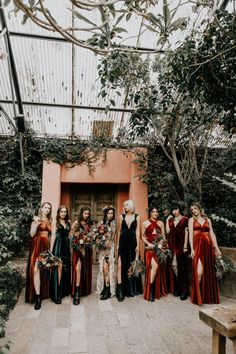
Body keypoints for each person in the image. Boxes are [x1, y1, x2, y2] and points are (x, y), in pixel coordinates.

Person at [189, 203, 221, 305]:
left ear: (199, 209)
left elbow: (212, 234)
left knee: (208, 272)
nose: (193, 210)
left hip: (208, 248)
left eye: (195, 208)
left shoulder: (208, 220)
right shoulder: (191, 220)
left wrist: (216, 248)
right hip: (197, 247)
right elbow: (190, 235)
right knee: (199, 272)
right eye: (192, 209)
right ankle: (195, 295)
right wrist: (192, 249)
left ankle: (206, 297)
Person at [25, 202, 52, 310]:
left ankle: (44, 292)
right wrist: (36, 224)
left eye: (49, 208)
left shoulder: (51, 220)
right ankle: (38, 297)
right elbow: (32, 234)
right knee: (36, 269)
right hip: (37, 245)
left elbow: (51, 235)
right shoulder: (36, 219)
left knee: (43, 270)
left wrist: (50, 250)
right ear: (41, 208)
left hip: (46, 246)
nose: (47, 209)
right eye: (45, 207)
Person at [116, 199, 143, 302]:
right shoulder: (121, 217)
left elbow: (137, 231)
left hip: (132, 243)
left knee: (132, 264)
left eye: (126, 205)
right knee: (121, 265)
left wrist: (137, 246)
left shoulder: (137, 216)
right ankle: (121, 289)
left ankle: (132, 289)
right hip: (123, 243)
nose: (125, 206)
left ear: (131, 206)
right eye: (124, 205)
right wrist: (118, 244)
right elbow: (119, 231)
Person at [142, 207, 167, 302]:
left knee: (156, 268)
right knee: (155, 267)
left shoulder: (161, 223)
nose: (155, 213)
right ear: (150, 213)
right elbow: (142, 236)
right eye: (153, 211)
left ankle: (156, 289)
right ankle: (151, 291)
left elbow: (163, 236)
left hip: (158, 248)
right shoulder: (145, 223)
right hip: (149, 248)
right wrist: (148, 244)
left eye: (157, 211)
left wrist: (160, 243)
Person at [166, 204, 189, 300]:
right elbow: (167, 232)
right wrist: (167, 220)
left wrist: (185, 246)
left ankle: (184, 290)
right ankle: (178, 287)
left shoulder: (185, 219)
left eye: (176, 209)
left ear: (179, 209)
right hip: (172, 245)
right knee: (174, 265)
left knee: (182, 267)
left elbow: (187, 232)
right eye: (173, 210)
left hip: (181, 245)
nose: (175, 212)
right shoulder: (171, 220)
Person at [70, 207, 93, 305]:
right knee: (78, 268)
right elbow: (71, 235)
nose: (86, 215)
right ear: (81, 214)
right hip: (78, 250)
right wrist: (76, 242)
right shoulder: (76, 223)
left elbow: (92, 237)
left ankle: (84, 289)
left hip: (87, 250)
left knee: (85, 269)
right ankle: (77, 292)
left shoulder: (90, 225)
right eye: (85, 213)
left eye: (88, 214)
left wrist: (89, 240)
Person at [50, 205, 71, 304]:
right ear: (58, 212)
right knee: (59, 268)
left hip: (66, 247)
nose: (63, 213)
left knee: (66, 269)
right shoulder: (55, 222)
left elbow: (69, 235)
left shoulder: (68, 222)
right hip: (58, 246)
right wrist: (51, 251)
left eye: (65, 212)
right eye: (62, 211)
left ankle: (64, 291)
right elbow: (53, 236)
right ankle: (57, 294)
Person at [96, 206, 117, 300]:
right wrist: (97, 241)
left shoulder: (113, 223)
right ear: (105, 214)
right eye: (109, 213)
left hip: (109, 247)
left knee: (109, 269)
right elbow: (97, 234)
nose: (110, 215)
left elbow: (112, 236)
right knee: (103, 268)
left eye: (112, 213)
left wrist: (108, 246)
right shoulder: (101, 223)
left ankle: (108, 290)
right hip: (102, 248)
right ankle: (105, 287)